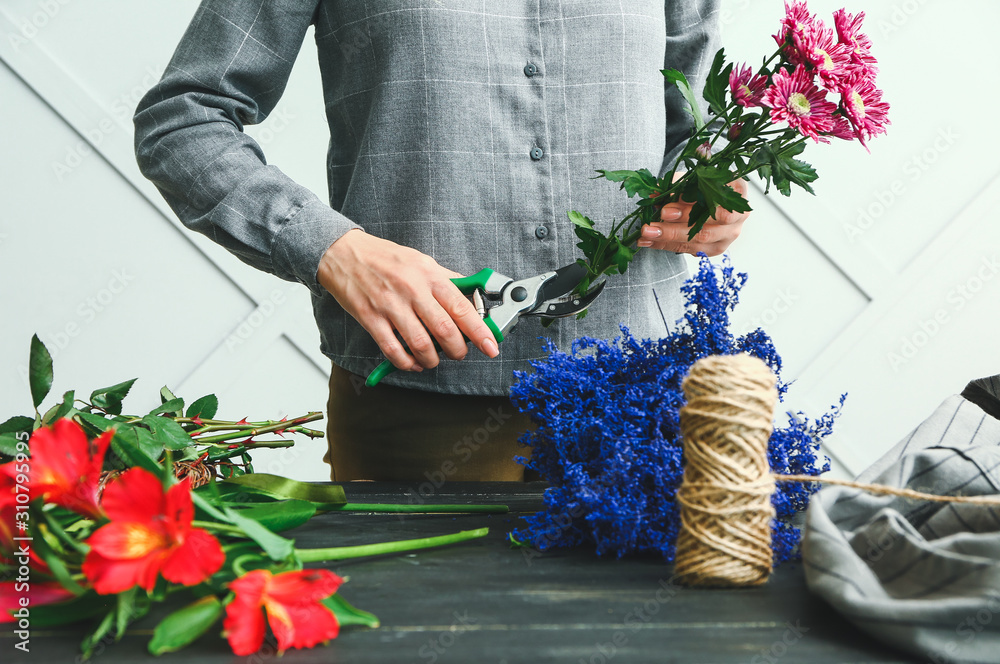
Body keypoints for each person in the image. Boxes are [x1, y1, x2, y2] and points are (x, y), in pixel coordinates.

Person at [133, 1, 748, 483]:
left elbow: (696, 125)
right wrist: (332, 248)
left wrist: (715, 186)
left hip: (644, 395)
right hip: (422, 410)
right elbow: (183, 120)